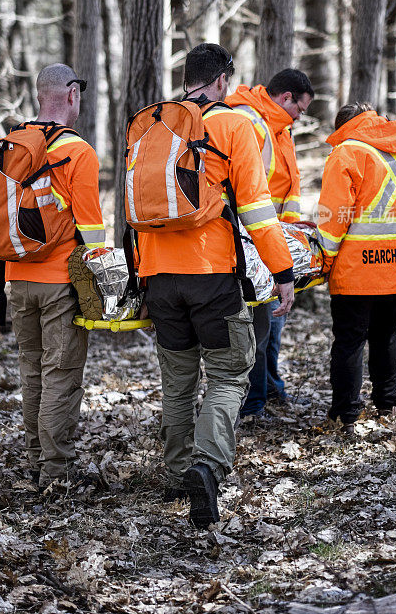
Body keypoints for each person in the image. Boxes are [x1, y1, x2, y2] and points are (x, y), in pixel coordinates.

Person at [137, 43, 295, 527]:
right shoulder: (233, 125)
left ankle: (176, 471)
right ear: (223, 80)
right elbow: (257, 210)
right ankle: (206, 466)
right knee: (229, 374)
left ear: (188, 77)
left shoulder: (151, 122)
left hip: (157, 277)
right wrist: (283, 271)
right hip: (211, 276)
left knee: (178, 378)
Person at [7, 64, 105, 490]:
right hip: (60, 281)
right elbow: (92, 230)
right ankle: (56, 472)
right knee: (60, 373)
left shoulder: (10, 145)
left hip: (15, 277)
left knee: (32, 369)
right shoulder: (77, 152)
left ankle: (35, 461)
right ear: (70, 95)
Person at [315, 102, 396, 434]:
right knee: (386, 335)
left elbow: (333, 216)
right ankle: (388, 406)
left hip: (358, 269)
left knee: (349, 340)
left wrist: (323, 261)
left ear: (344, 126)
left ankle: (345, 416)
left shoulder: (348, 152)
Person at [226, 69, 314, 416]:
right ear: (286, 98)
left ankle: (270, 389)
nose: (299, 117)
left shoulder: (280, 129)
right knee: (261, 329)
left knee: (272, 327)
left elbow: (286, 189)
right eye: (300, 109)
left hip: (276, 242)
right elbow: (250, 197)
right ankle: (255, 401)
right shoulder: (252, 123)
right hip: (256, 243)